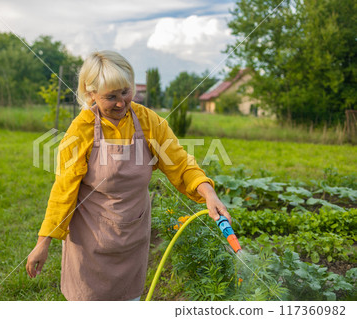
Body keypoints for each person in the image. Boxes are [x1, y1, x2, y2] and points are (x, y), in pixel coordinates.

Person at [26, 50, 231, 301]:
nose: (121, 103)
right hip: (91, 240)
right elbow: (63, 189)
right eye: (111, 97)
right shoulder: (81, 130)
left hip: (133, 234)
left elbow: (180, 163)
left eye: (125, 92)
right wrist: (43, 241)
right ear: (91, 94)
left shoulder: (147, 121)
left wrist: (208, 192)